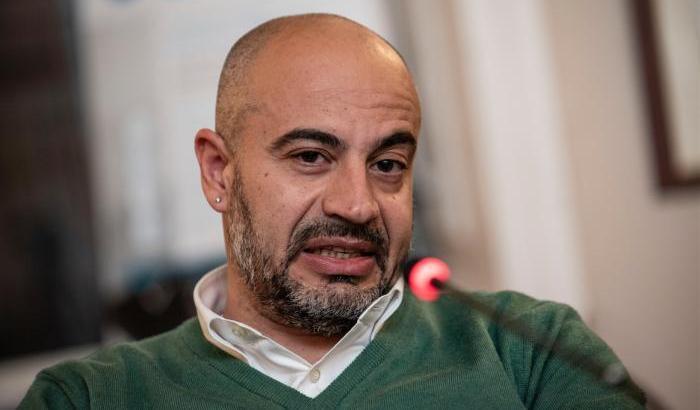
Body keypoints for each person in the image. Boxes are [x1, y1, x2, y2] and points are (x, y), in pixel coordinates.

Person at [21, 13, 645, 409]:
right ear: (218, 172)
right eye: (311, 156)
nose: (357, 204)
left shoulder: (533, 352)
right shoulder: (88, 398)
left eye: (387, 164)